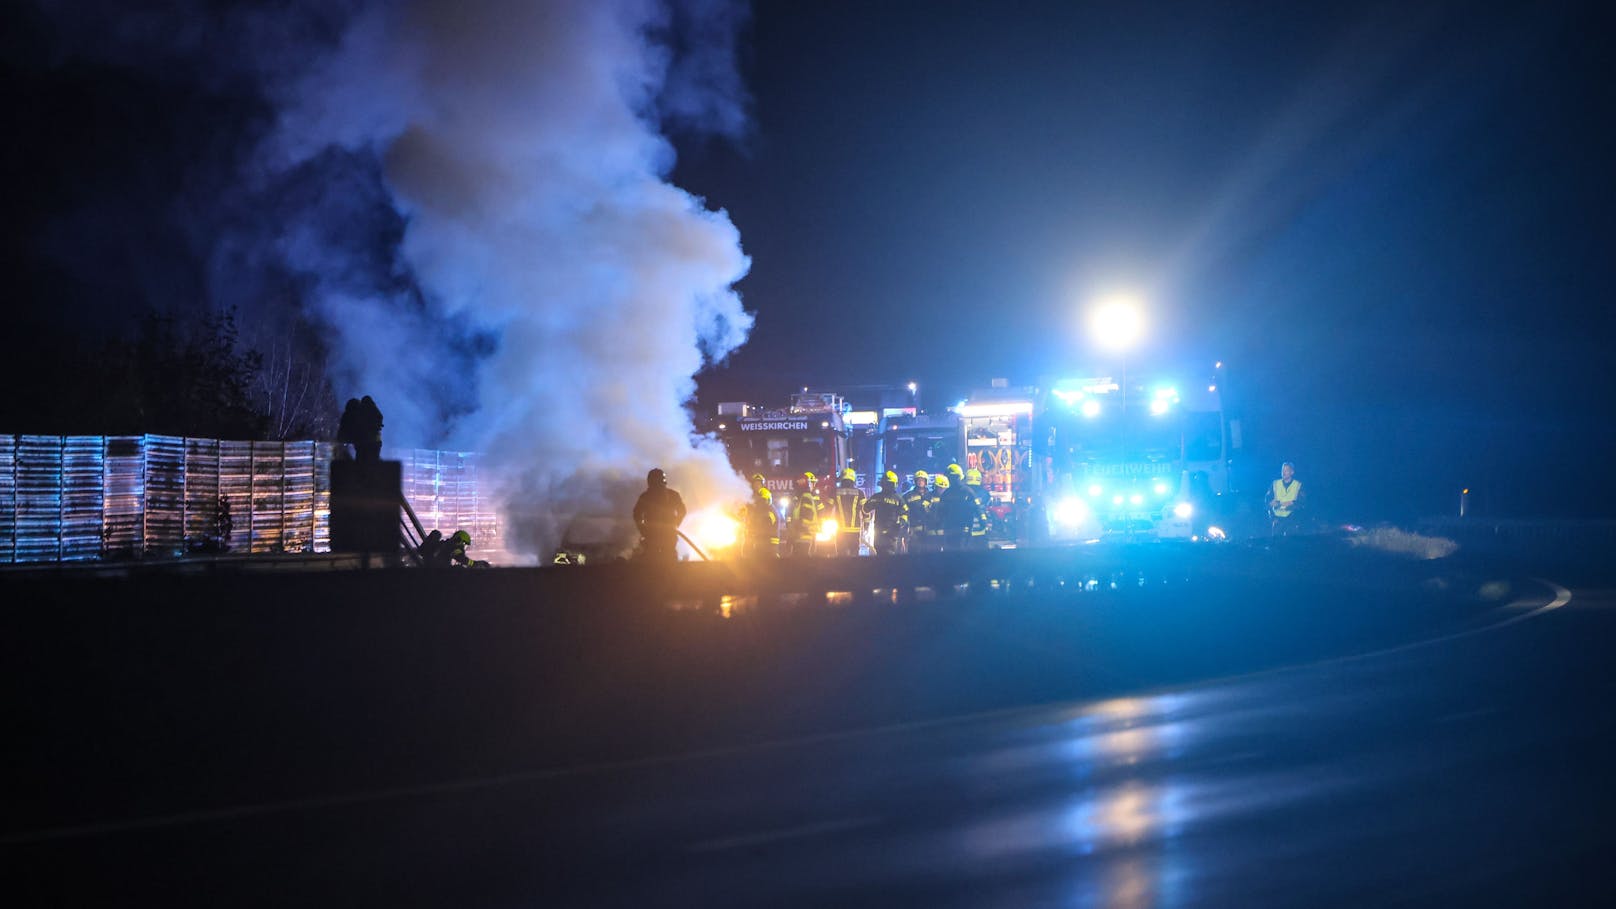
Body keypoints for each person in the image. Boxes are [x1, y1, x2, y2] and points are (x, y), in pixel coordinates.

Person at [633, 468, 687, 562]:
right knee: (667, 561)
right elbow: (682, 511)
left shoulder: (646, 496)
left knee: (654, 562)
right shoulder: (672, 495)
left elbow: (637, 514)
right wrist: (675, 525)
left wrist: (643, 530)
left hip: (655, 535)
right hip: (662, 535)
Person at [862, 471, 908, 555]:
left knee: (887, 554)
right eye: (887, 484)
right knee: (883, 554)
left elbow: (905, 513)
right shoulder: (897, 498)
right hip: (884, 533)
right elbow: (866, 509)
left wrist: (902, 522)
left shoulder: (878, 497)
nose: (888, 486)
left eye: (889, 484)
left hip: (890, 533)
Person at [830, 467, 867, 557]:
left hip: (840, 530)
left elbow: (827, 508)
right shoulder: (860, 493)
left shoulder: (834, 492)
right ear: (853, 479)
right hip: (855, 530)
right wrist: (866, 525)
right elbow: (865, 510)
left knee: (841, 556)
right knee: (854, 555)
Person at [785, 471, 823, 557]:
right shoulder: (798, 497)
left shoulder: (808, 497)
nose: (812, 486)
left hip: (805, 534)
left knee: (803, 559)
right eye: (810, 483)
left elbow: (818, 515)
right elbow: (789, 513)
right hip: (801, 534)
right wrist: (790, 527)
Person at [337, 395, 385, 462]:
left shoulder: (354, 415)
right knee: (371, 459)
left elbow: (343, 431)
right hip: (372, 442)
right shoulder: (367, 412)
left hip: (365, 442)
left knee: (364, 460)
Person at [1266, 461, 1306, 536]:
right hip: (1277, 520)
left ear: (1292, 472)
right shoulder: (1275, 484)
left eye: (1286, 470)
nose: (1283, 473)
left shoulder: (1298, 485)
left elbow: (1303, 502)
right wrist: (1271, 506)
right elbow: (1267, 500)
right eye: (1282, 470)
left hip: (1292, 520)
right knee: (1276, 544)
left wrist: (1293, 504)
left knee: (1291, 543)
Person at [741, 486, 780, 558]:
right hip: (764, 544)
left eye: (763, 500)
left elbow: (763, 528)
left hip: (768, 545)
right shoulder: (763, 511)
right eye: (759, 500)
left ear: (768, 500)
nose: (760, 503)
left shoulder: (768, 512)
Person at [901, 470, 932, 553]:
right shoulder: (908, 496)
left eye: (922, 480)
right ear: (915, 481)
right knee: (914, 554)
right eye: (918, 480)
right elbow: (903, 512)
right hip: (914, 531)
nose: (920, 482)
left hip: (929, 531)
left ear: (926, 481)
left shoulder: (931, 495)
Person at [964, 467, 993, 549]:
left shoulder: (963, 492)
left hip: (966, 533)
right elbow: (988, 508)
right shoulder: (985, 493)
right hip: (981, 531)